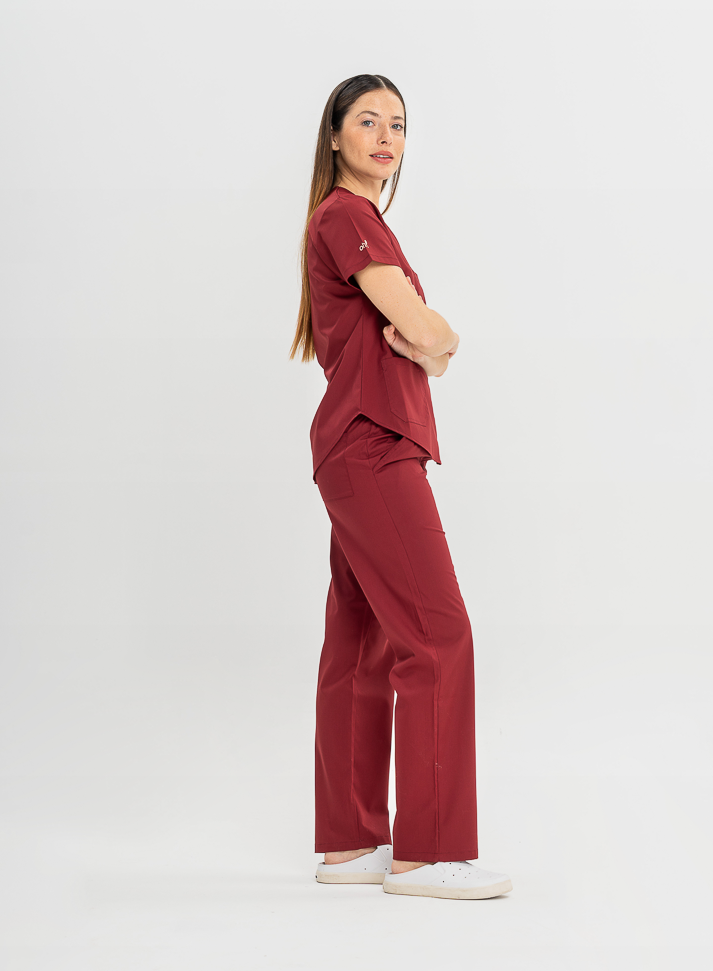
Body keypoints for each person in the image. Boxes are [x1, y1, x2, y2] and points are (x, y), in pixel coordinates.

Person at [289, 74, 512, 901]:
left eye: (399, 125)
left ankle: (351, 844)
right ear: (335, 136)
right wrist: (437, 334)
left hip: (357, 447)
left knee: (364, 643)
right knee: (438, 634)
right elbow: (426, 335)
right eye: (368, 122)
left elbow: (427, 352)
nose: (387, 137)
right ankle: (429, 851)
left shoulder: (349, 222)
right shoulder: (348, 217)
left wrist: (430, 344)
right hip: (374, 447)